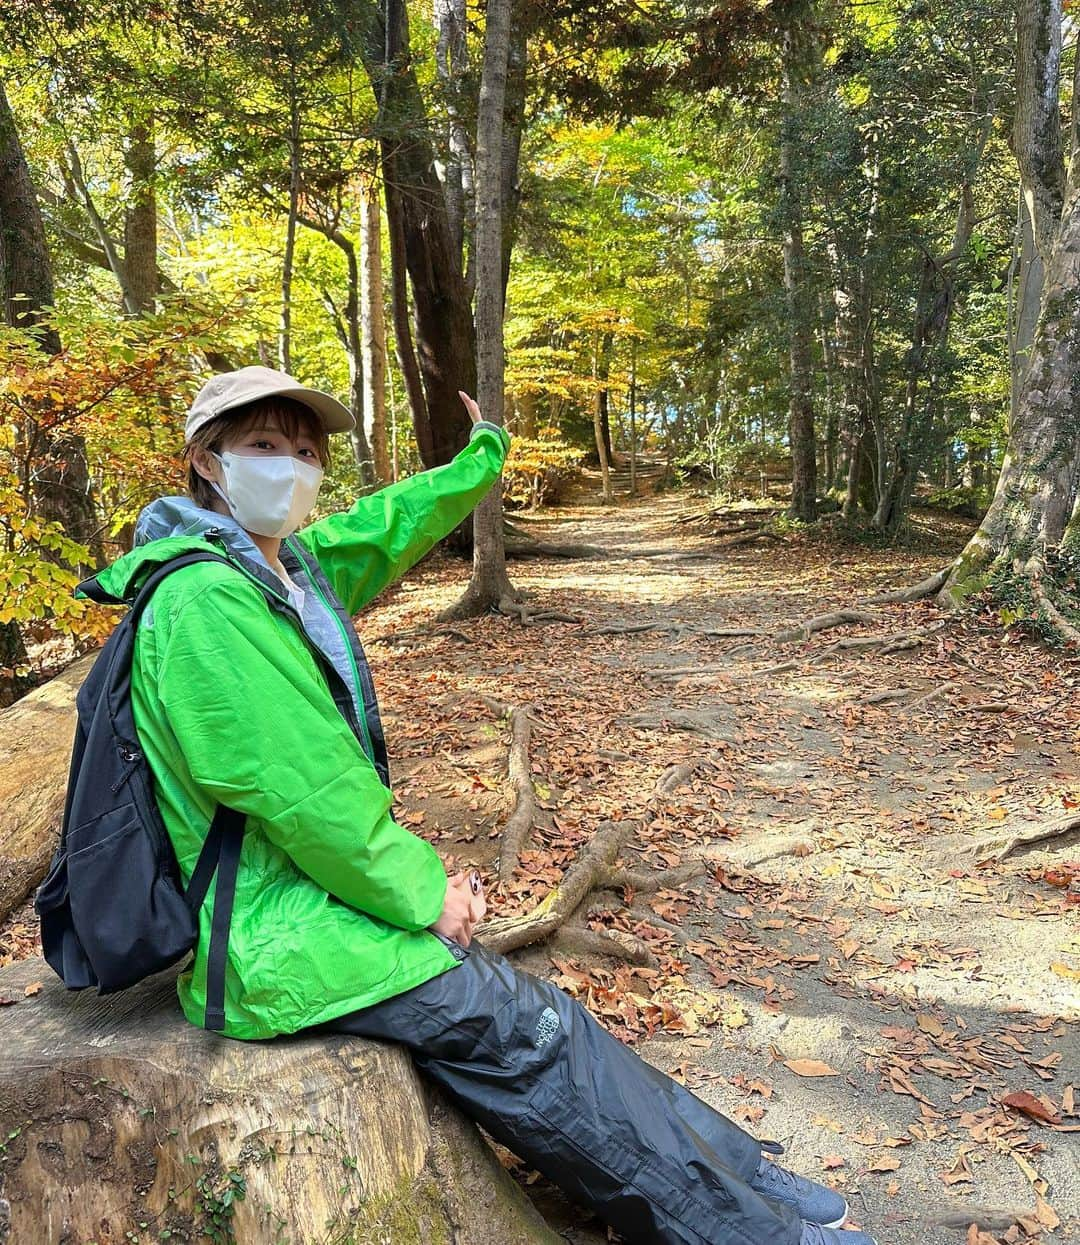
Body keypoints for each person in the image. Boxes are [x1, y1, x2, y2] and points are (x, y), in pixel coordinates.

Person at [90, 365, 876, 1245]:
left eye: (306, 452)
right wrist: (433, 896)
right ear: (205, 458)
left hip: (314, 906)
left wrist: (480, 458)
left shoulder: (278, 569)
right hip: (270, 939)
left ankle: (741, 1170)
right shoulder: (207, 602)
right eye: (263, 447)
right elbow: (312, 795)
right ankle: (752, 1233)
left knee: (554, 1019)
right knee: (523, 1032)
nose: (293, 469)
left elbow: (385, 526)